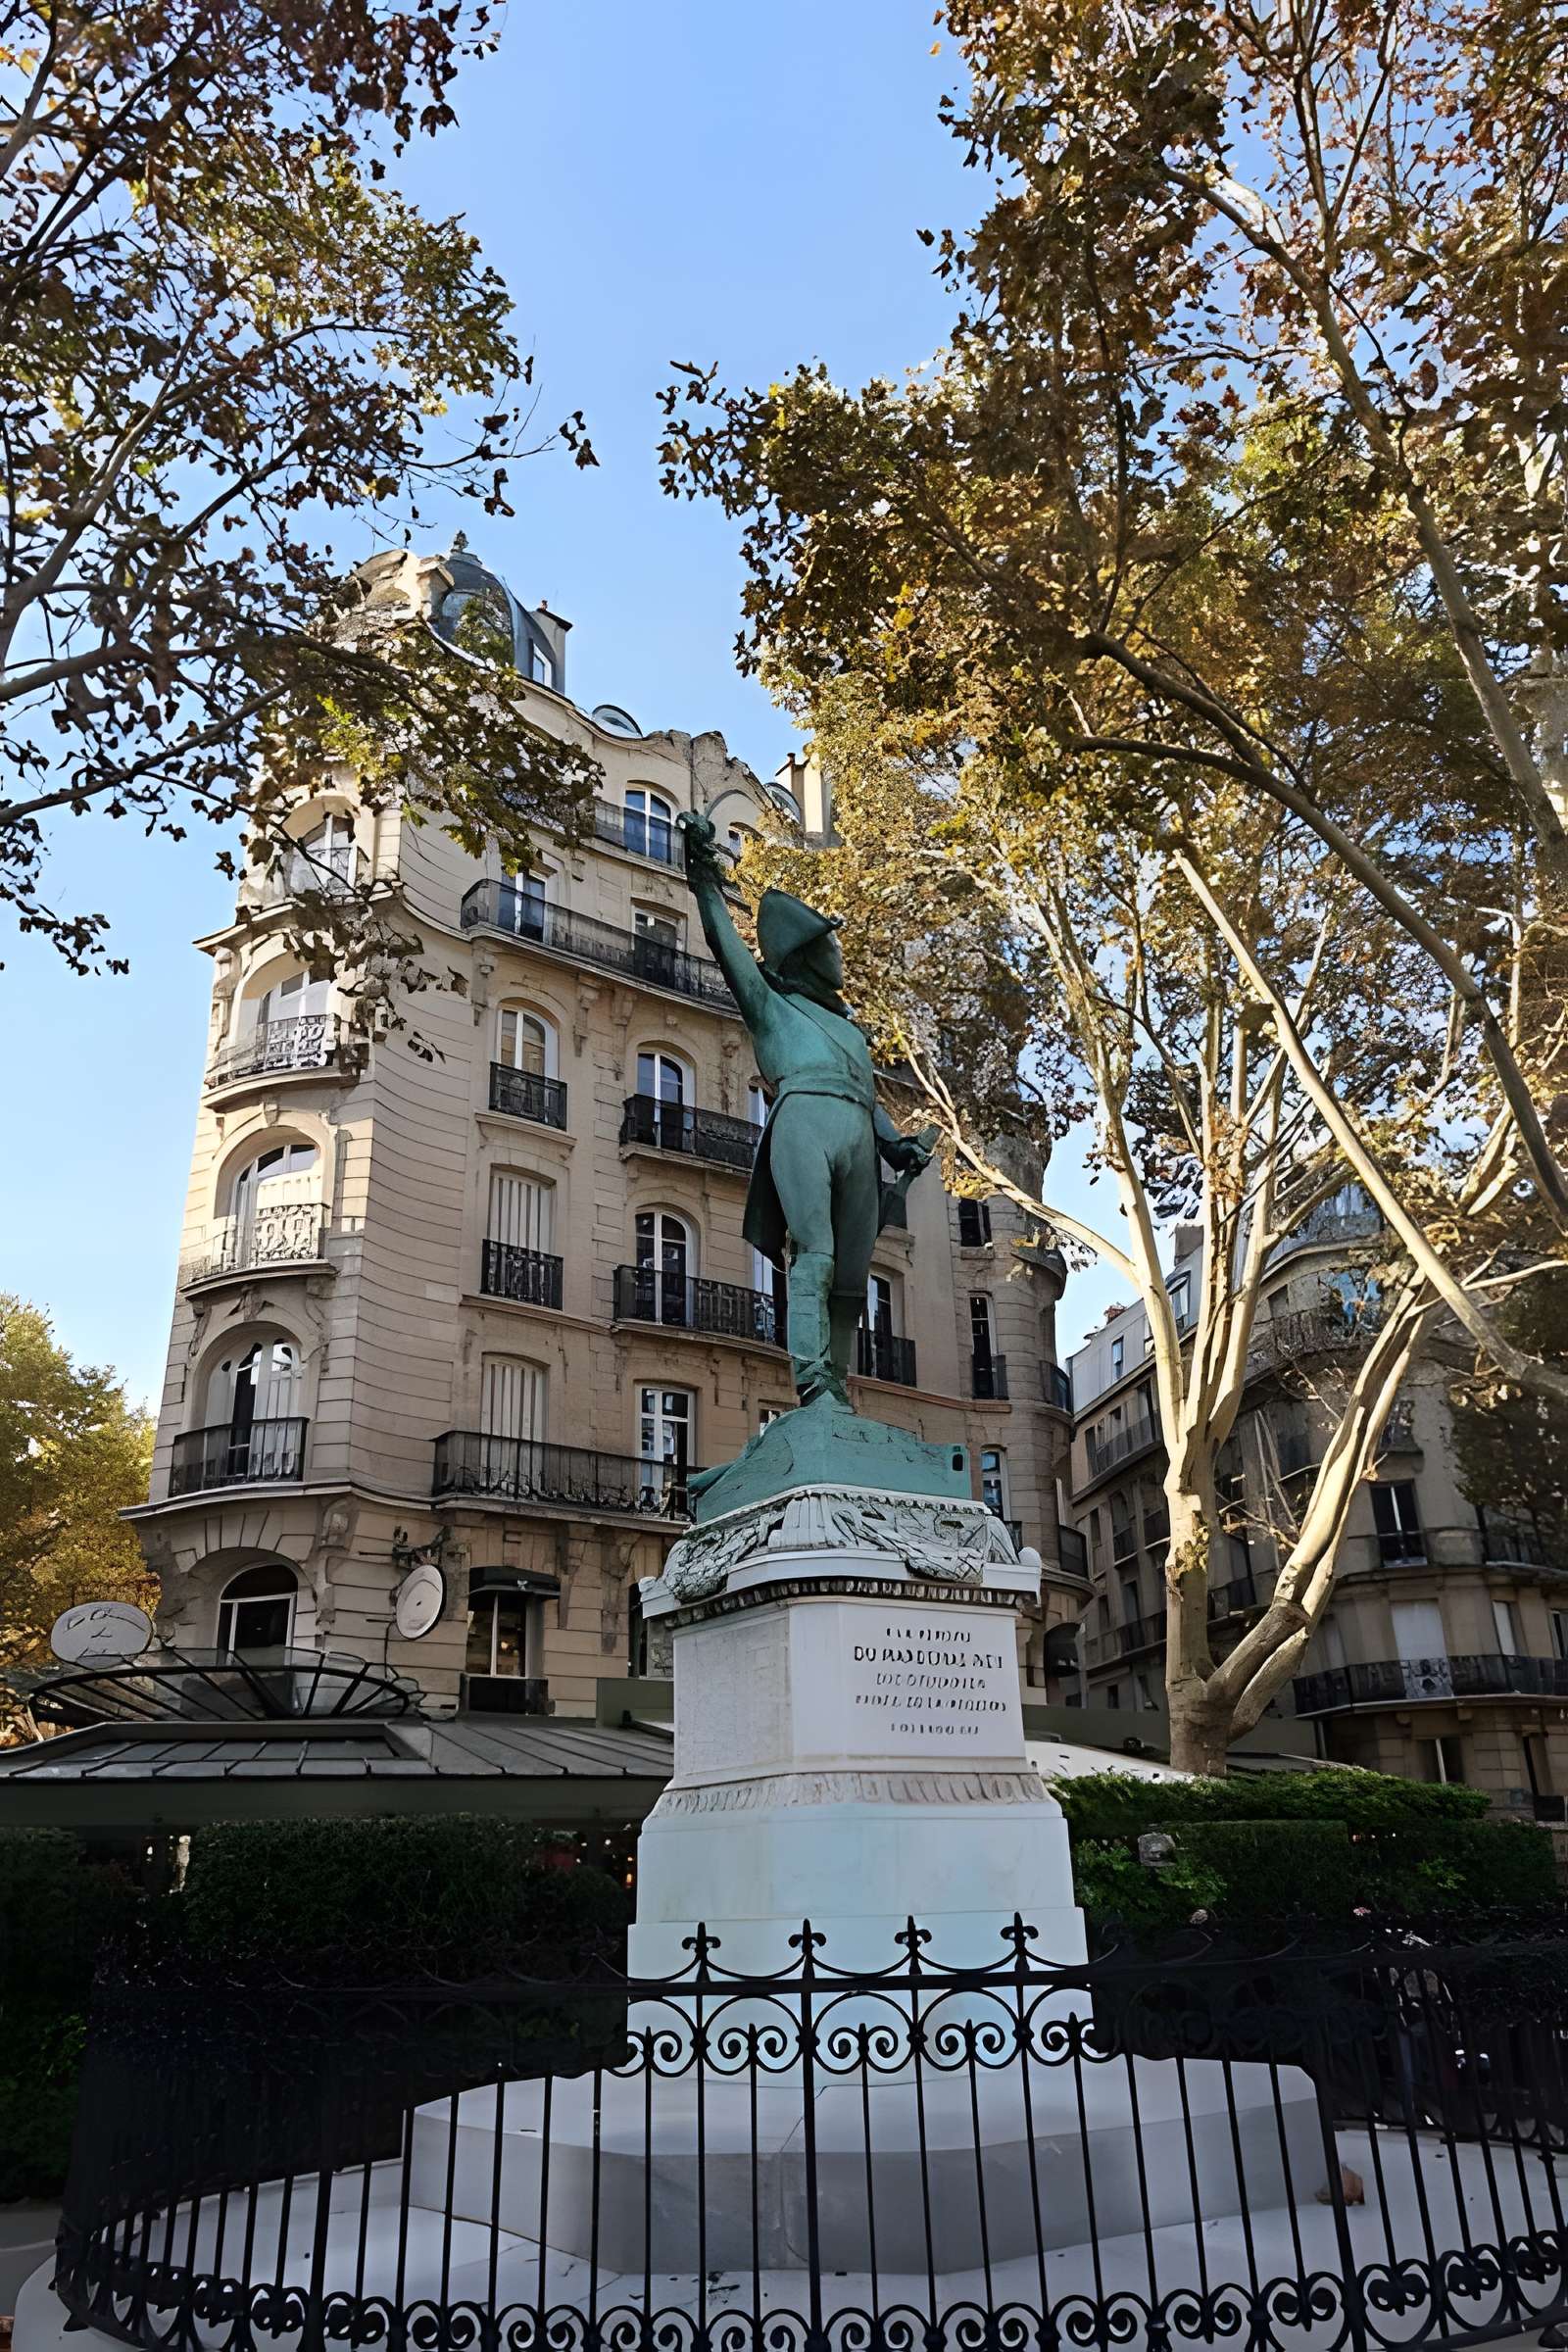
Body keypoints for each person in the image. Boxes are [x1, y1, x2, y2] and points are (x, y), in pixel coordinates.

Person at [678, 809, 933, 1408]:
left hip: (855, 1131)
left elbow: (867, 1096)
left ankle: (837, 1389)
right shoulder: (768, 1005)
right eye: (830, 945)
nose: (840, 954)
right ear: (807, 957)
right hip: (803, 1121)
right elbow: (722, 941)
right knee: (813, 1251)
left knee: (851, 1278)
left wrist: (898, 1143)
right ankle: (812, 1381)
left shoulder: (851, 1031)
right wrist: (700, 871)